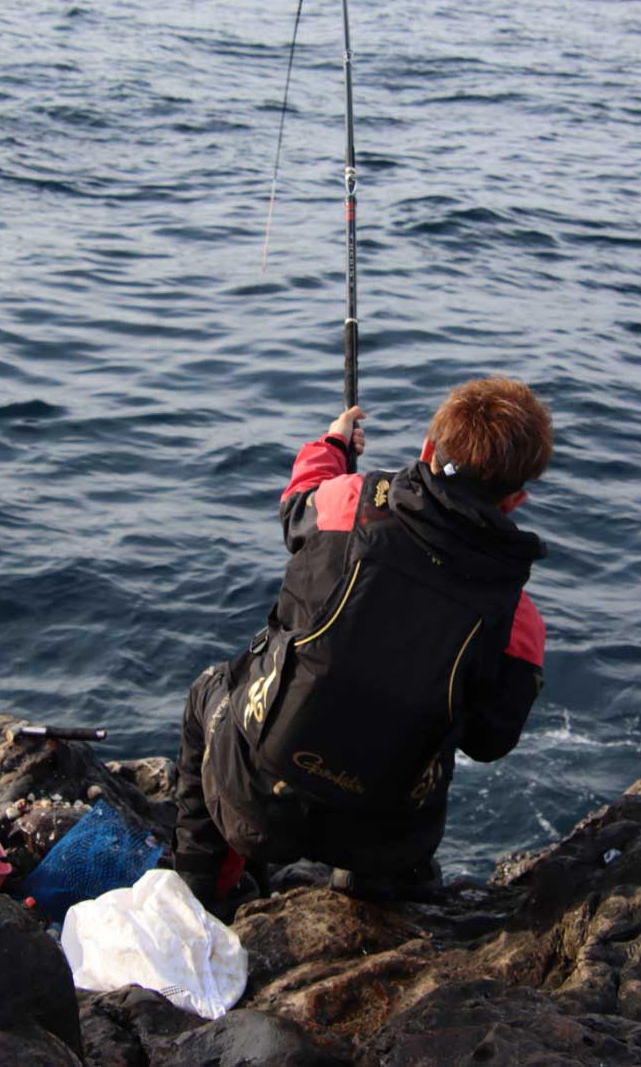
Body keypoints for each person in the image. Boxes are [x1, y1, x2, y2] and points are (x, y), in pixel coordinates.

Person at [173, 375, 553, 917]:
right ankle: (372, 897)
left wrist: (332, 447)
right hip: (382, 843)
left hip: (258, 810)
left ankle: (203, 894)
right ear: (516, 499)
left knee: (207, 692)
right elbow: (491, 740)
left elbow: (296, 509)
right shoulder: (518, 619)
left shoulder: (350, 502)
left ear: (427, 449)